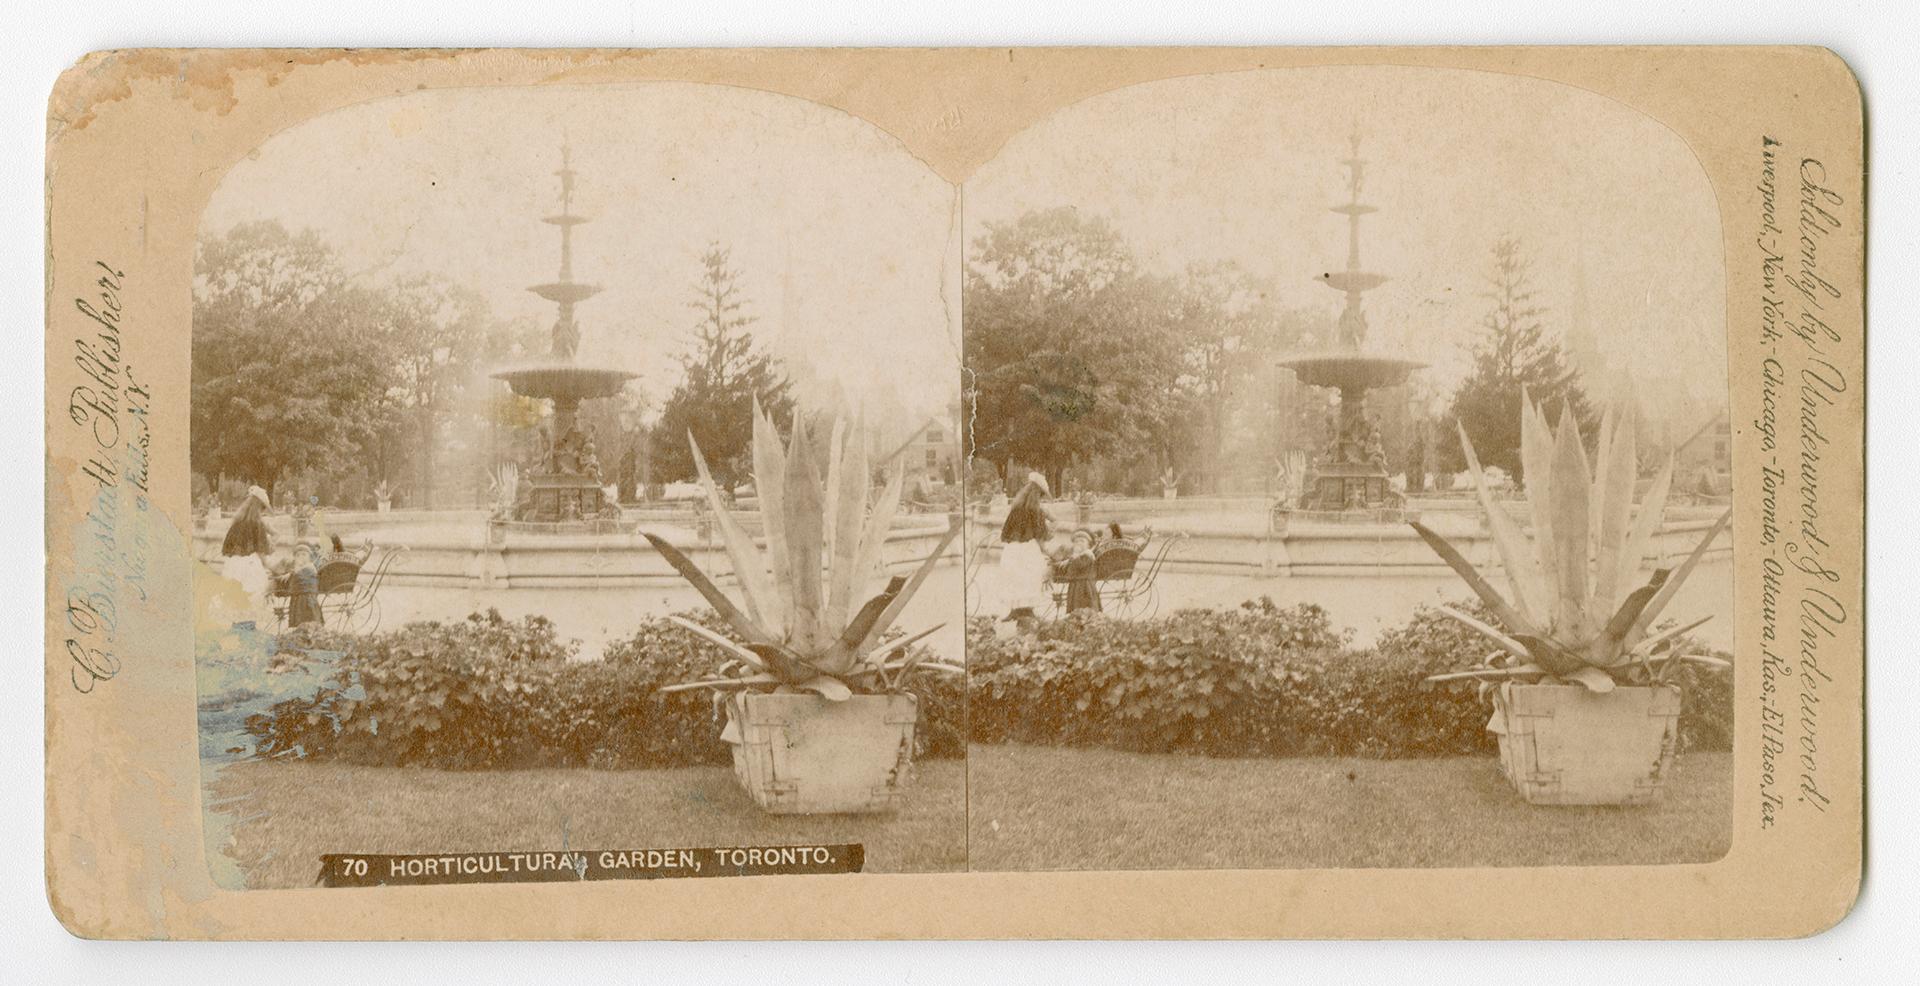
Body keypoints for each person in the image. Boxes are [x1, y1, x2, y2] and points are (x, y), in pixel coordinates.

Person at [995, 471, 1053, 629]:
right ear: (1037, 495)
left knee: (1014, 581)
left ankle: (1015, 610)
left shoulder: (1016, 508)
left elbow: (1005, 533)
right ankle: (1027, 610)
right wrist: (1049, 552)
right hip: (1028, 550)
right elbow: (1040, 538)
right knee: (1030, 577)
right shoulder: (1036, 511)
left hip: (1012, 551)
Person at [218, 486, 275, 626]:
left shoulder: (237, 523)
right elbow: (261, 552)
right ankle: (247, 631)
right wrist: (271, 567)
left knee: (236, 603)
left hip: (233, 566)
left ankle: (237, 630)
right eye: (262, 508)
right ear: (258, 507)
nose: (262, 512)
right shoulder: (257, 524)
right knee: (252, 601)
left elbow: (227, 548)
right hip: (250, 567)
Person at [1058, 528, 1102, 614]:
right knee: (1075, 605)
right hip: (1076, 585)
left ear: (1088, 545)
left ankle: (1086, 619)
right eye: (1076, 542)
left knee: (1085, 606)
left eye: (1082, 541)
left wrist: (1074, 556)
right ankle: (1077, 618)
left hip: (1085, 586)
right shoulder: (1078, 555)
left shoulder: (1088, 555)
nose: (1079, 544)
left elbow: (1078, 565)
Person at [284, 542, 325, 628]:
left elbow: (298, 574)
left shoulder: (310, 567)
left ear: (309, 557)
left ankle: (309, 631)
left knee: (309, 618)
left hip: (306, 596)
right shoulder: (300, 567)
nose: (301, 557)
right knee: (300, 618)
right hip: (299, 595)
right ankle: (302, 630)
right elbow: (294, 573)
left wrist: (293, 571)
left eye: (304, 555)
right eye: (298, 555)